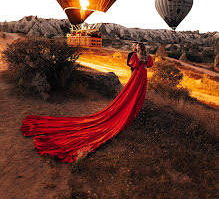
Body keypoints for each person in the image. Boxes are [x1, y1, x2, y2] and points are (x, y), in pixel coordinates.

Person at [21, 44, 153, 163]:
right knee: (136, 94)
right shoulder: (147, 56)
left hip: (137, 74)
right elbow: (149, 64)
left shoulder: (135, 56)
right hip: (143, 75)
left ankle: (128, 109)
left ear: (137, 48)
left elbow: (131, 63)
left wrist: (134, 54)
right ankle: (132, 110)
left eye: (136, 47)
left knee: (130, 94)